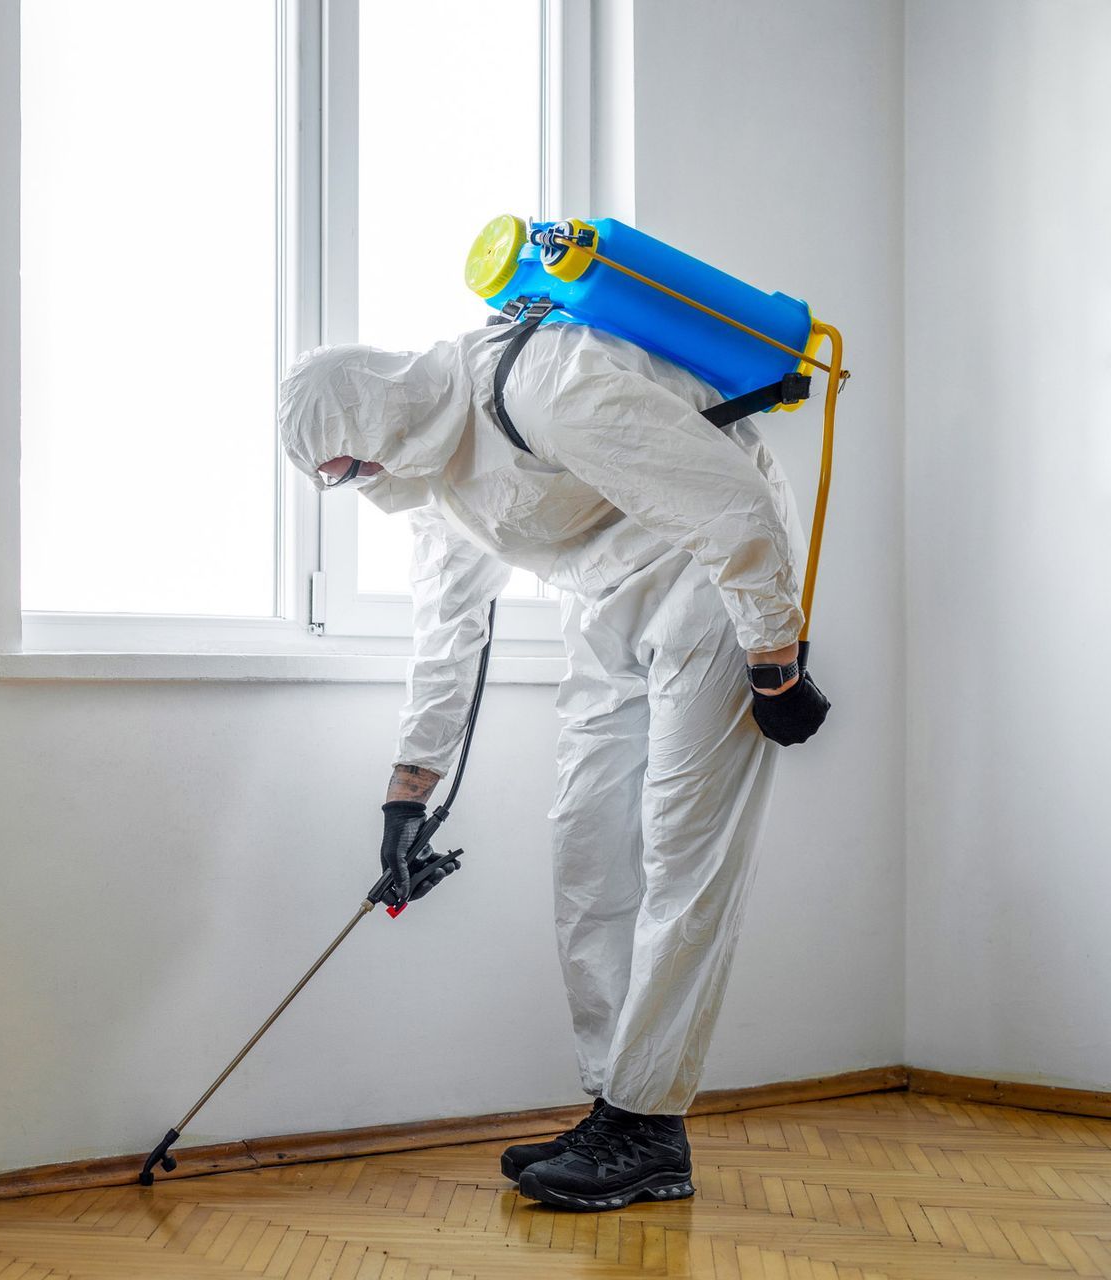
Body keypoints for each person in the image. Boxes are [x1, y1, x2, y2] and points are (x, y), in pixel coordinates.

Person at [278, 320, 831, 1212]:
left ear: (370, 420)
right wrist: (407, 794)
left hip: (707, 584)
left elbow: (732, 503)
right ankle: (618, 1107)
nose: (353, 487)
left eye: (341, 470)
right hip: (606, 601)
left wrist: (775, 662)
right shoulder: (433, 474)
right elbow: (448, 632)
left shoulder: (541, 382)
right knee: (587, 850)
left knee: (685, 858)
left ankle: (647, 1123)